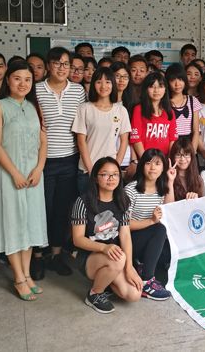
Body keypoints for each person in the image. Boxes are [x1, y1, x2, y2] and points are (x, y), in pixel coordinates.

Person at [0, 60, 47, 301]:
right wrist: (14, 173)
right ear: (8, 80)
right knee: (13, 224)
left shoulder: (34, 107)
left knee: (31, 224)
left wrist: (39, 168)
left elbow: (43, 141)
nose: (22, 83)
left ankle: (27, 274)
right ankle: (18, 278)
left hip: (34, 176)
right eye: (17, 78)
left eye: (27, 79)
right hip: (10, 175)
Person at [34, 47, 87, 279]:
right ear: (48, 66)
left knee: (61, 210)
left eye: (66, 64)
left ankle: (55, 255)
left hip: (69, 160)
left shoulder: (78, 91)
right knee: (41, 210)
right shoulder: (36, 89)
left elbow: (82, 125)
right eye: (57, 63)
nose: (62, 68)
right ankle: (37, 256)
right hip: (42, 161)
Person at [71, 157, 142, 314]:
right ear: (96, 178)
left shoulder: (123, 200)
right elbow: (78, 239)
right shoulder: (83, 202)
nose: (111, 178)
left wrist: (129, 267)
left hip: (114, 257)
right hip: (89, 257)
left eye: (115, 174)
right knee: (119, 258)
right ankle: (94, 294)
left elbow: (125, 236)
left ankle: (107, 280)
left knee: (134, 294)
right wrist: (104, 248)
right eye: (105, 174)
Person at [125, 149, 175, 300]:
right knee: (159, 228)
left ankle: (141, 267)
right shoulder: (131, 190)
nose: (153, 167)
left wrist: (170, 181)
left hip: (150, 239)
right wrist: (151, 221)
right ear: (142, 166)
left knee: (167, 239)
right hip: (130, 241)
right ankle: (147, 281)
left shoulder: (162, 188)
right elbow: (124, 224)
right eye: (148, 163)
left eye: (157, 163)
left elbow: (168, 210)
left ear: (163, 167)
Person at [73, 67, 131, 195]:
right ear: (93, 84)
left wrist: (115, 169)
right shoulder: (84, 108)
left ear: (113, 84)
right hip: (87, 170)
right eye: (99, 82)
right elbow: (81, 142)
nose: (103, 86)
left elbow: (124, 141)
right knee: (87, 206)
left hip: (110, 173)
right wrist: (91, 171)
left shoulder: (121, 110)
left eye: (108, 82)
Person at [130, 72, 178, 159]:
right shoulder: (138, 109)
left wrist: (168, 160)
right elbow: (136, 139)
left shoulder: (170, 111)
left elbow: (173, 139)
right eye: (152, 86)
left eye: (160, 86)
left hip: (164, 159)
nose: (156, 90)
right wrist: (147, 160)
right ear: (146, 89)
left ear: (165, 89)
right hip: (145, 159)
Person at [166, 64, 201, 151]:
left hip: (189, 145)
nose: (177, 84)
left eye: (180, 79)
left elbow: (196, 131)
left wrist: (192, 152)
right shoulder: (164, 102)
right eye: (173, 80)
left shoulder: (192, 101)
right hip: (169, 144)